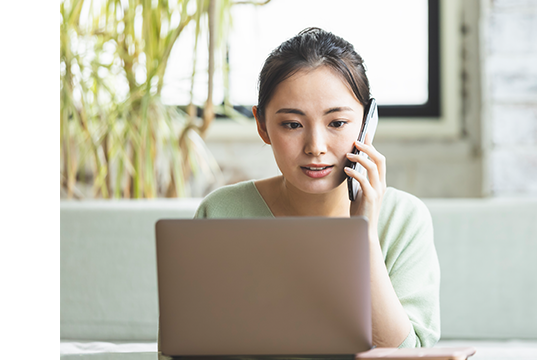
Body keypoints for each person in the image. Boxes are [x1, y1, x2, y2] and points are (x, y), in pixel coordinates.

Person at [161, 27, 440, 355]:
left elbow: (405, 355)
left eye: (337, 123)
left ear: (367, 124)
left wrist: (362, 234)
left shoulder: (404, 219)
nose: (316, 147)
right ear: (262, 126)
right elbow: (181, 349)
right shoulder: (221, 212)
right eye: (292, 124)